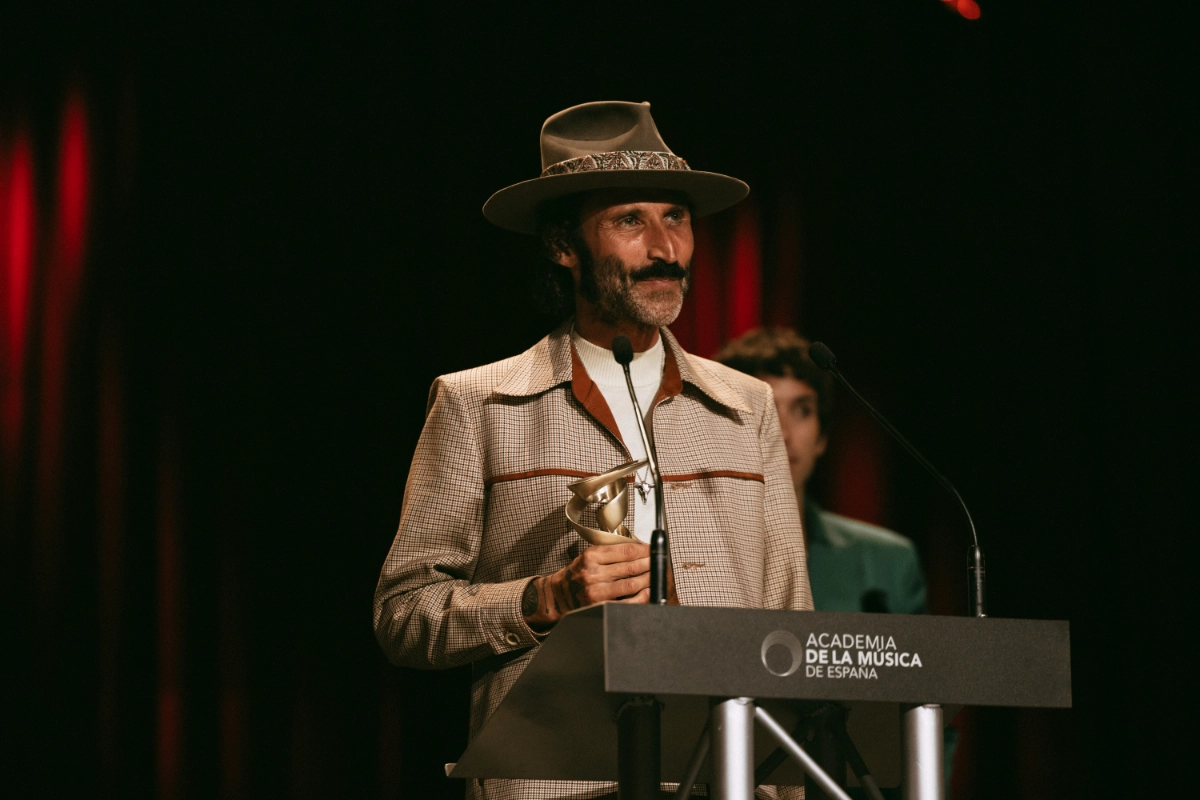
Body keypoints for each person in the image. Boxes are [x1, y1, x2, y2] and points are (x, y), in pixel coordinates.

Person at [373, 102, 812, 800]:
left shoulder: (744, 405)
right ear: (562, 245)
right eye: (630, 221)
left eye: (677, 217)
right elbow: (405, 614)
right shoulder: (479, 403)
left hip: (721, 779)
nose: (665, 248)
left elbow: (790, 621)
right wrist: (542, 598)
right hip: (555, 782)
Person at [715, 328, 927, 615]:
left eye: (802, 410)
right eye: (764, 409)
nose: (784, 434)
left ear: (822, 437)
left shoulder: (889, 563)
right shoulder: (683, 553)